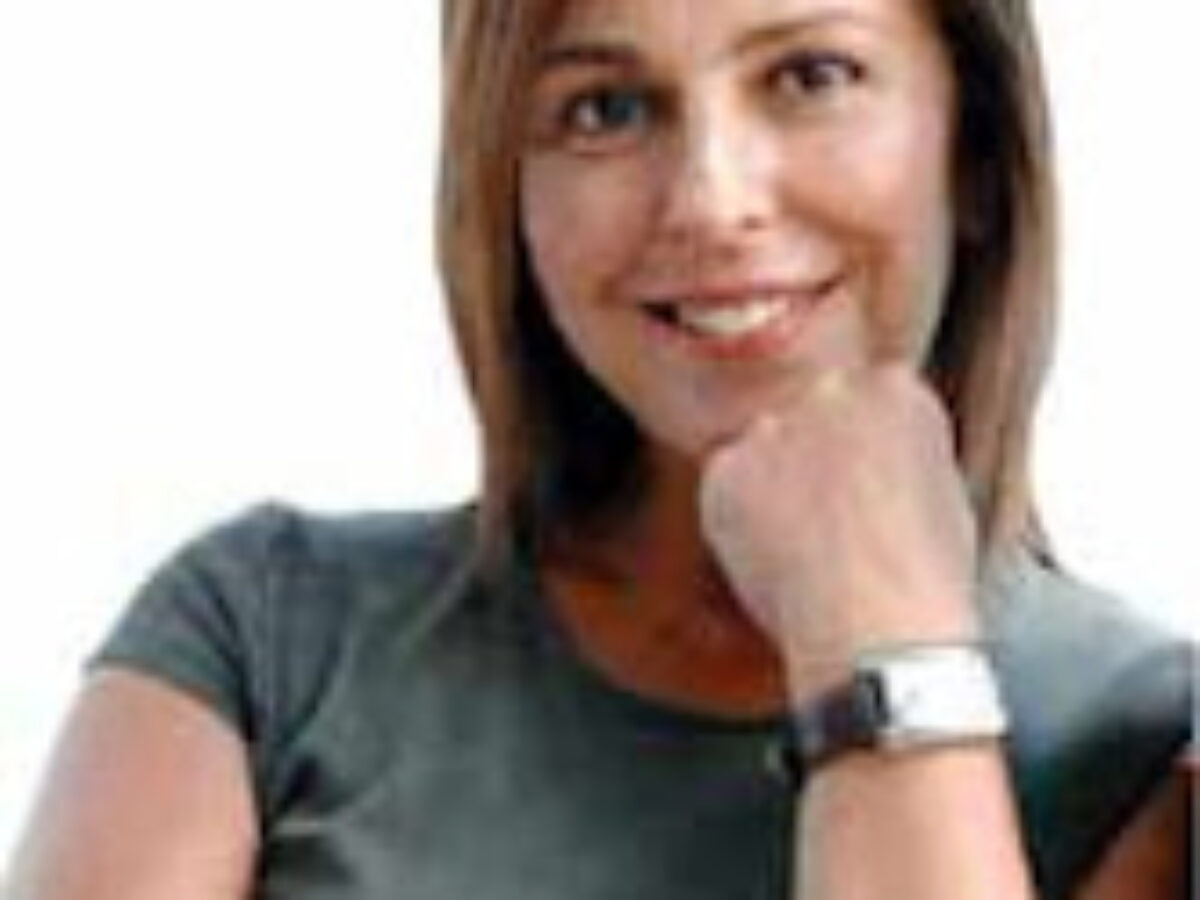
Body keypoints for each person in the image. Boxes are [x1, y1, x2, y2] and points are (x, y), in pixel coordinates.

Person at [6, 0, 1192, 897]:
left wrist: (879, 641)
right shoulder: (263, 641)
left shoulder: (1138, 743)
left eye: (810, 76)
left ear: (973, 153)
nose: (710, 200)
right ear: (506, 192)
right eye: (604, 109)